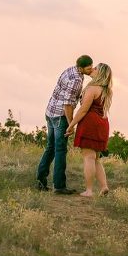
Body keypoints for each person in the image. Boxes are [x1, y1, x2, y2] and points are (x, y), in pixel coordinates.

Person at [35, 55, 94, 194]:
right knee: (60, 150)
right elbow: (68, 104)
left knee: (50, 148)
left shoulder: (70, 70)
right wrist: (70, 124)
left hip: (50, 112)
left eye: (91, 66)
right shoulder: (77, 80)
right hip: (60, 116)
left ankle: (40, 181)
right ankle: (59, 186)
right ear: (81, 68)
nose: (91, 69)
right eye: (88, 68)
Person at [65, 63, 113, 197]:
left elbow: (83, 109)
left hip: (90, 123)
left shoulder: (92, 88)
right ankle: (104, 187)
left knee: (88, 157)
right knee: (96, 158)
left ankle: (89, 190)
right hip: (103, 124)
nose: (93, 69)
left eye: (96, 68)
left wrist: (71, 125)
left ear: (100, 73)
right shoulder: (106, 90)